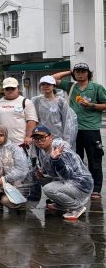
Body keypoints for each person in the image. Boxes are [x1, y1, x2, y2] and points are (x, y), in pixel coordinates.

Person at [53, 63, 106, 200]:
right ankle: (78, 185)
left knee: (94, 159)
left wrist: (92, 105)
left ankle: (96, 188)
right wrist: (69, 72)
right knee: (75, 159)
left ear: (88, 73)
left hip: (91, 129)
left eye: (83, 71)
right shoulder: (71, 86)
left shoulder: (96, 88)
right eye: (77, 72)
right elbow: (51, 78)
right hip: (73, 130)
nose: (80, 74)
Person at [31, 124, 93, 220]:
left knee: (48, 189)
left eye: (42, 138)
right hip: (68, 181)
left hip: (81, 184)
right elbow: (50, 170)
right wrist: (42, 173)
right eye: (36, 139)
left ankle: (77, 207)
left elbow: (68, 174)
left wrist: (57, 161)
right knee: (43, 180)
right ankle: (62, 204)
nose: (39, 141)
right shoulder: (43, 150)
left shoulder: (61, 150)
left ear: (50, 137)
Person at [32, 75, 78, 146]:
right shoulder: (36, 100)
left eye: (48, 84)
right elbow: (33, 119)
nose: (45, 86)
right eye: (43, 84)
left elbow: (67, 121)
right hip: (41, 137)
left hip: (57, 138)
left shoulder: (61, 101)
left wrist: (67, 141)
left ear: (54, 86)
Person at [0, 77, 38, 147]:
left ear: (18, 88)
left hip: (20, 143)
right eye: (7, 88)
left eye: (13, 88)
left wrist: (28, 136)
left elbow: (32, 121)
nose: (10, 90)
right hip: (2, 142)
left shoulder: (25, 102)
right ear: (3, 90)